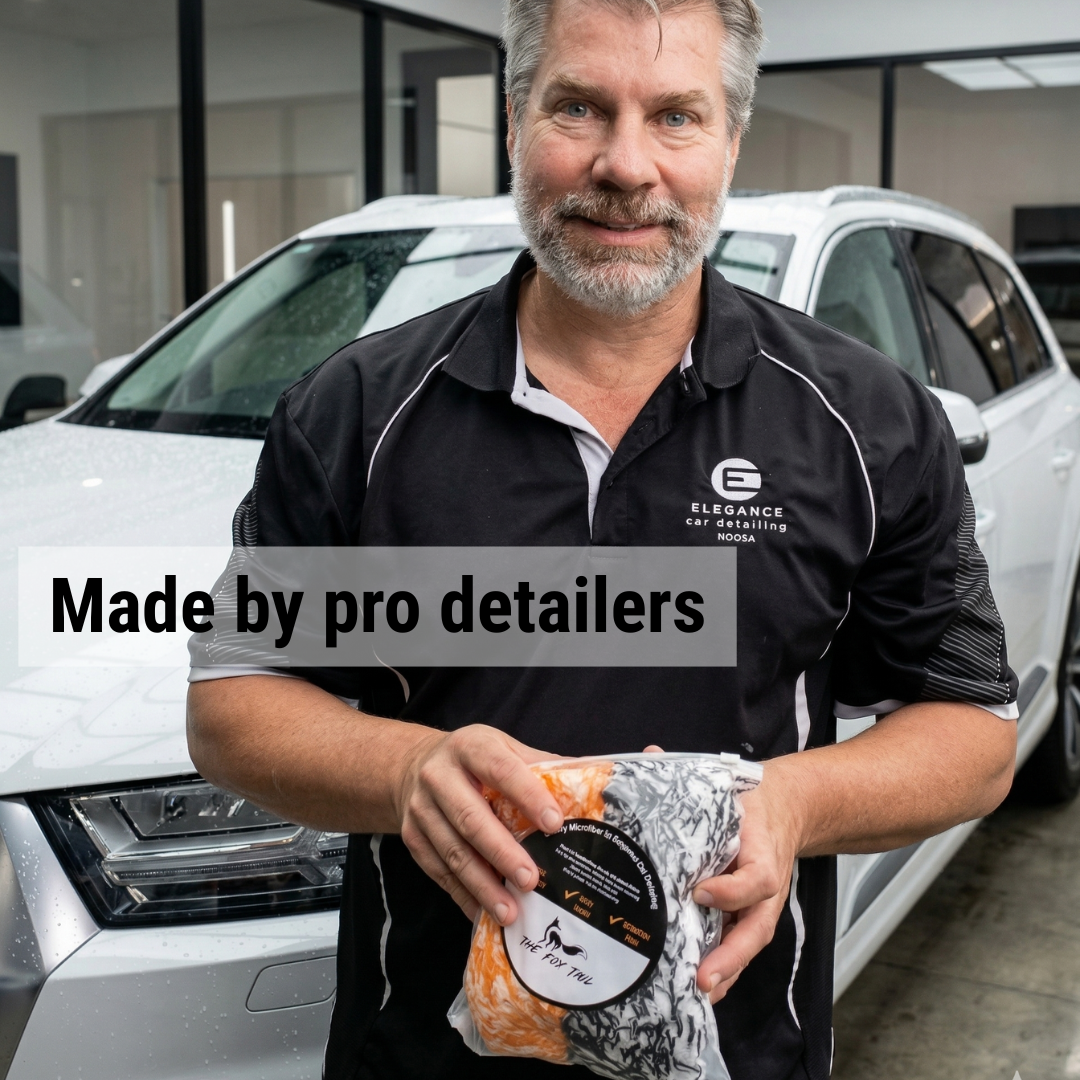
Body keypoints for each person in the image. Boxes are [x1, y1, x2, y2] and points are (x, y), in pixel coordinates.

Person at [187, 1, 1018, 1077]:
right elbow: (233, 702)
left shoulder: (868, 422)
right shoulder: (353, 415)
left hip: (738, 1044)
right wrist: (409, 771)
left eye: (676, 116)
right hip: (424, 1053)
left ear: (731, 141)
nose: (627, 166)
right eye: (579, 106)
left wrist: (798, 800)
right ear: (514, 120)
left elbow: (975, 730)